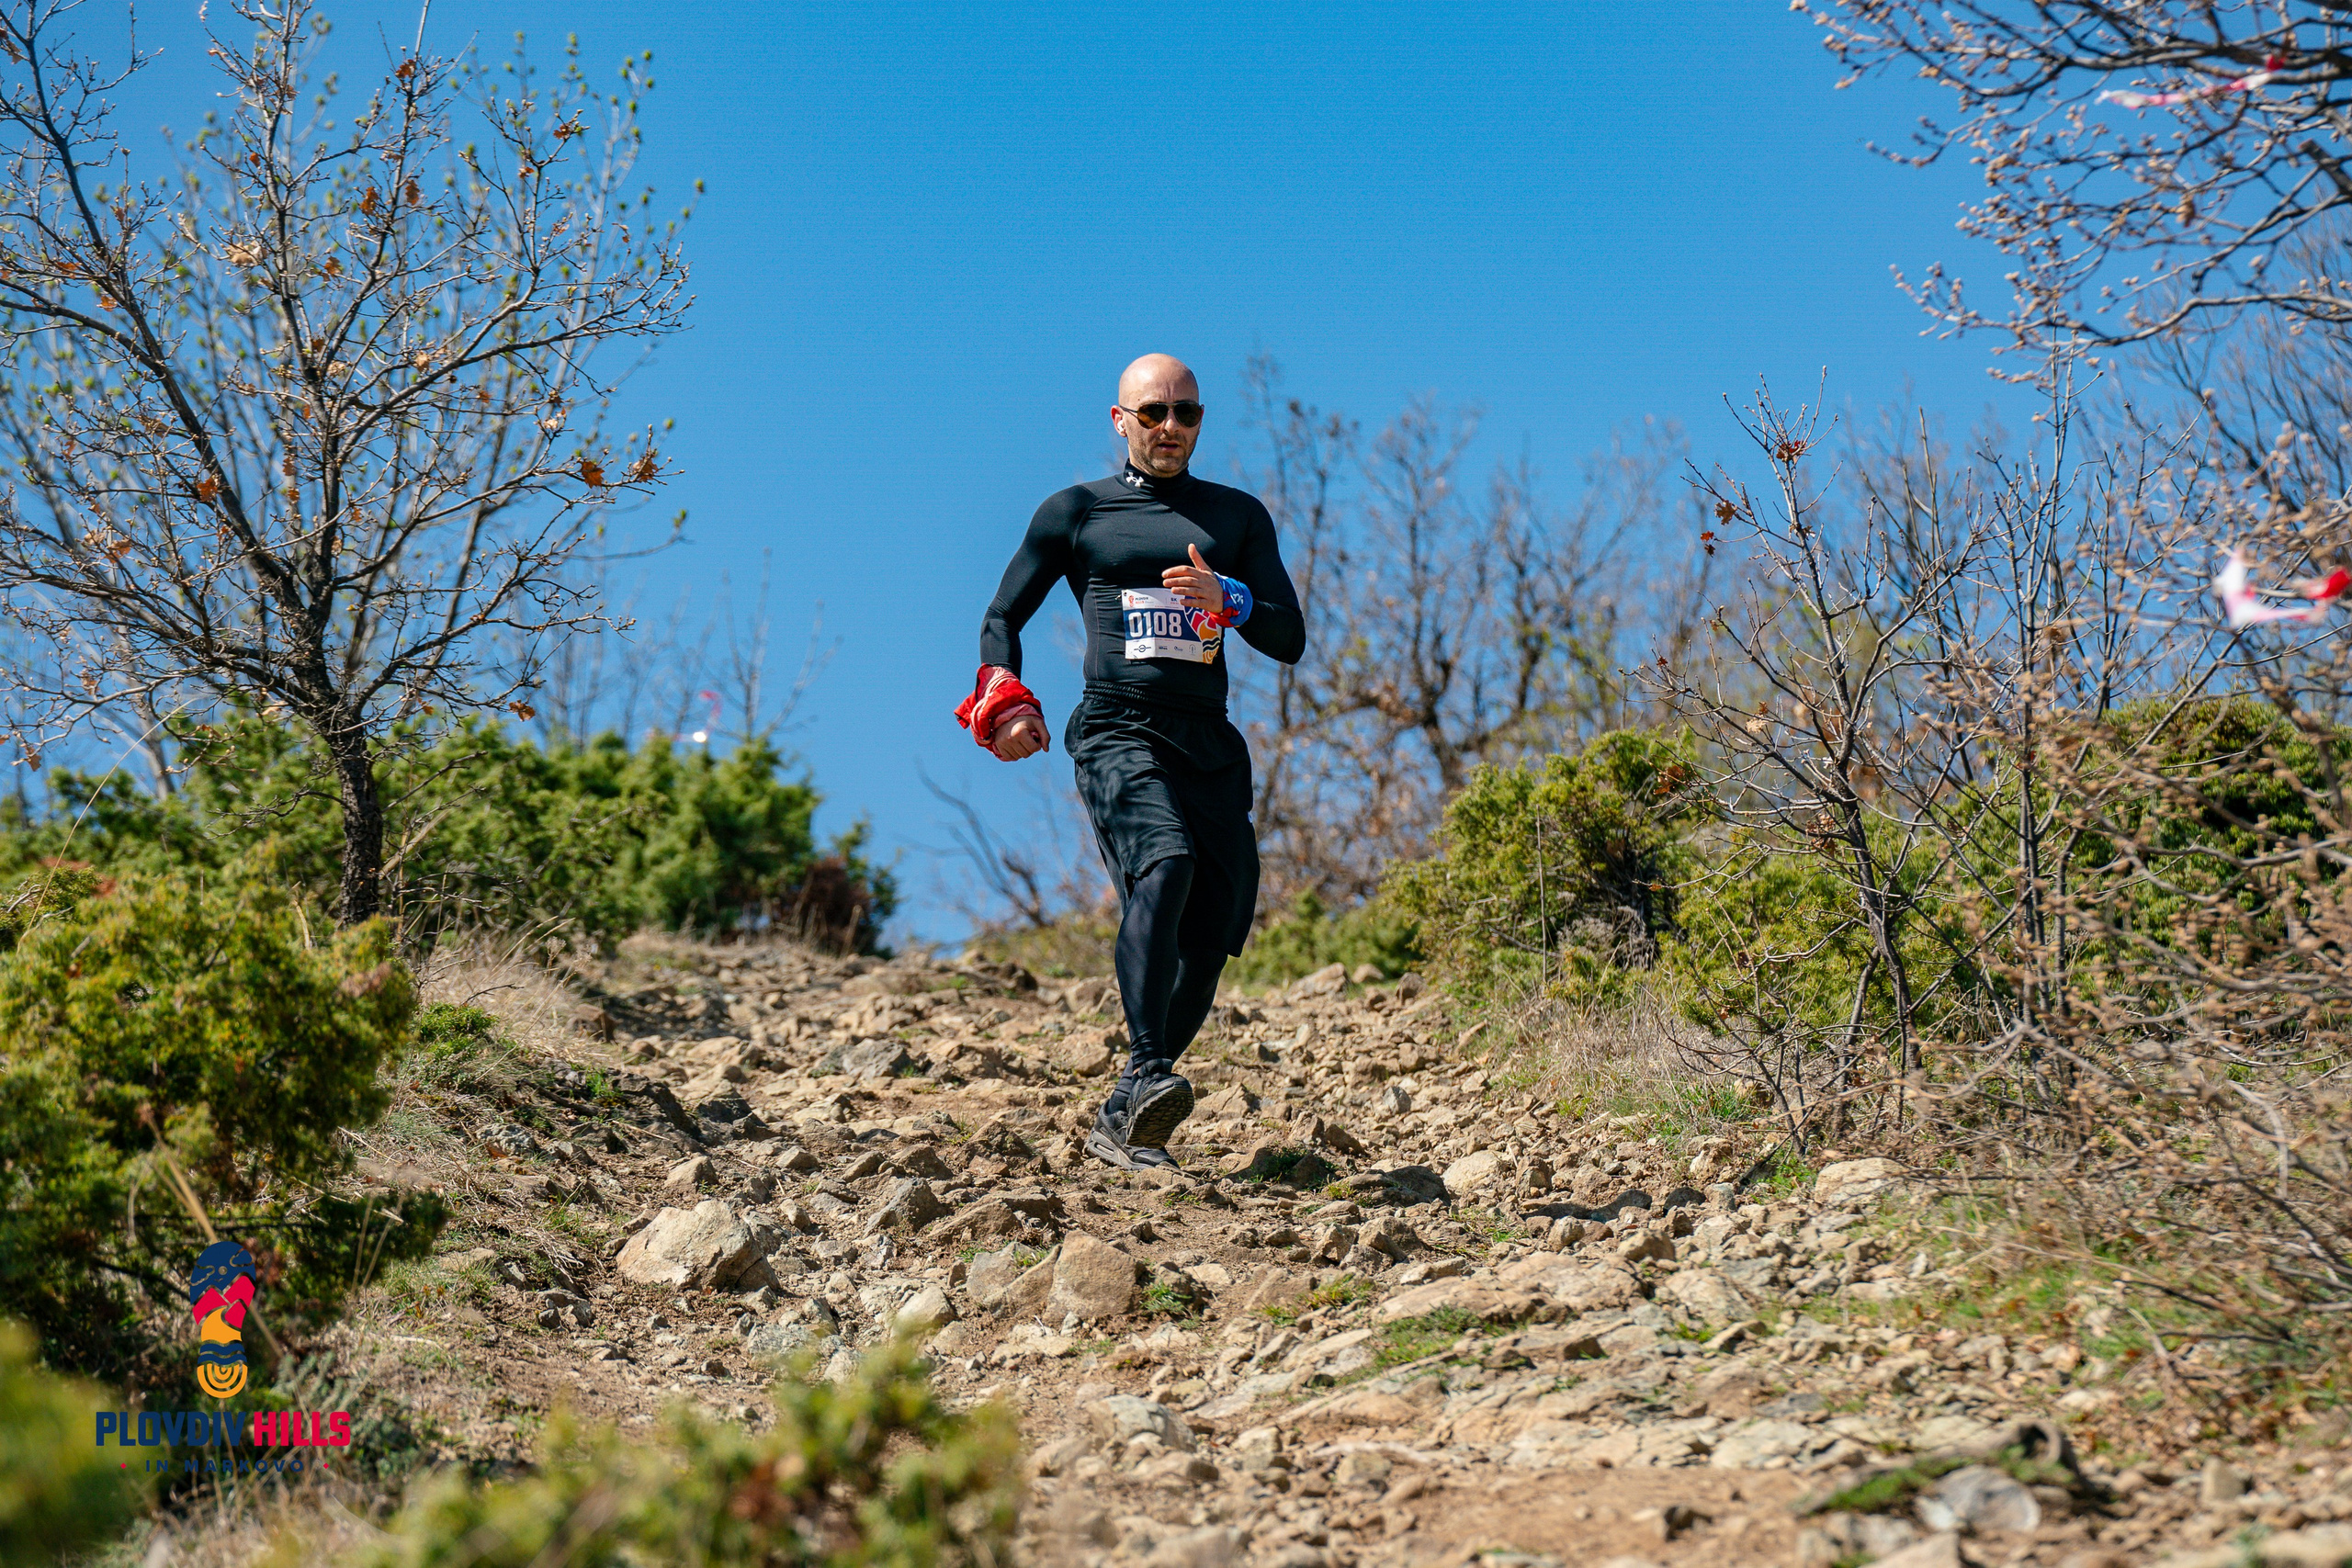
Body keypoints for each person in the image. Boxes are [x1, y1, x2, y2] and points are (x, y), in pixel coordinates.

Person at [956, 353, 1305, 1169]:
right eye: (1153, 413)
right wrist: (1005, 703)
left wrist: (1235, 602)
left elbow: (1288, 636)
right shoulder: (1078, 511)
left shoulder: (1237, 517)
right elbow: (1002, 614)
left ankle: (1125, 1109)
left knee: (1217, 921)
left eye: (1186, 413)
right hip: (1117, 726)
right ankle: (1148, 1071)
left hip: (1207, 736)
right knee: (1165, 863)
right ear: (1121, 420)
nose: (1171, 428)